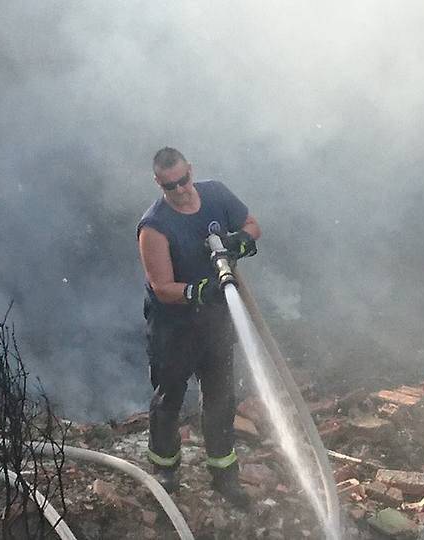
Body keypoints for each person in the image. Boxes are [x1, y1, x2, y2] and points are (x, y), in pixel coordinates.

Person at [137, 147, 261, 507]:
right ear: (158, 183)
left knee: (221, 397)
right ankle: (166, 471)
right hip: (174, 328)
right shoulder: (154, 226)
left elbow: (253, 225)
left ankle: (224, 476)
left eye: (183, 180)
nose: (179, 190)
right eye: (169, 185)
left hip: (217, 321)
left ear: (191, 170)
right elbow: (163, 287)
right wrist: (199, 290)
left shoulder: (217, 195)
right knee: (169, 399)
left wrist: (241, 240)